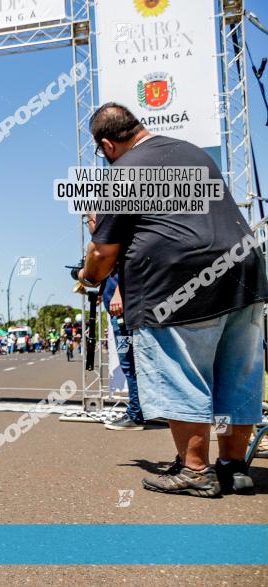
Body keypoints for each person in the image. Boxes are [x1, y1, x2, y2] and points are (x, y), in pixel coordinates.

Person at [79, 102, 268, 497]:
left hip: (181, 282)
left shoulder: (125, 172)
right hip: (244, 270)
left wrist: (88, 277)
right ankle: (234, 467)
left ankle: (195, 471)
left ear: (108, 144)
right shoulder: (192, 153)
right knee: (235, 375)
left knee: (183, 374)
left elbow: (102, 252)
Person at [102, 274, 145, 431]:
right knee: (134, 363)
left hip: (123, 317)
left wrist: (118, 293)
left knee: (129, 363)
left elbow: (126, 268)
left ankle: (135, 414)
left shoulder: (119, 250)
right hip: (126, 314)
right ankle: (142, 411)